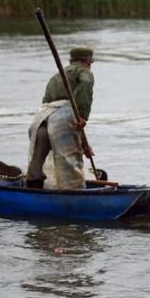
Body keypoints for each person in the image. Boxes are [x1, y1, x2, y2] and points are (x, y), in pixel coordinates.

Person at [26, 46, 95, 190]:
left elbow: (55, 114)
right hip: (61, 121)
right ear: (88, 61)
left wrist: (84, 145)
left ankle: (33, 193)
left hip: (40, 120)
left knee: (36, 165)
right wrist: (82, 115)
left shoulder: (58, 75)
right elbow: (69, 118)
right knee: (69, 166)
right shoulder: (84, 72)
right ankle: (73, 197)